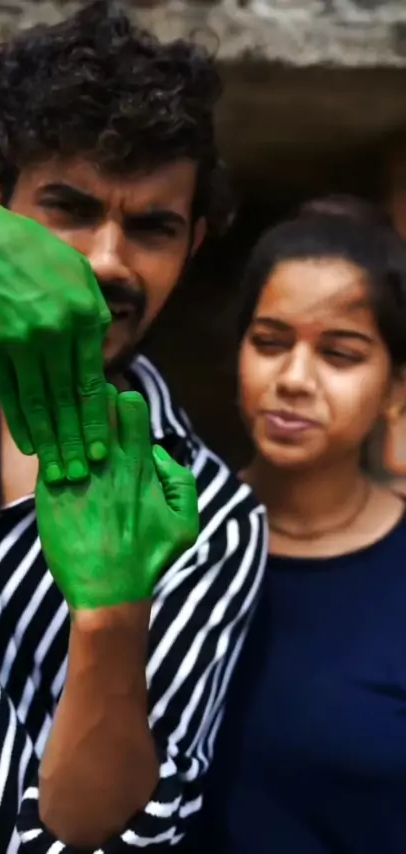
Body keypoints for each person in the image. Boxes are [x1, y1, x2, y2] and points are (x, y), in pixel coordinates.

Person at [0, 2, 267, 853]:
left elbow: (118, 832)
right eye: (68, 208)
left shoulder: (212, 517)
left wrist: (111, 617)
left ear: (193, 245)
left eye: (152, 228)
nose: (108, 260)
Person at [191, 198, 406, 853]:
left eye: (339, 355)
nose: (294, 379)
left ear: (396, 390)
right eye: (270, 343)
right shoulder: (171, 536)